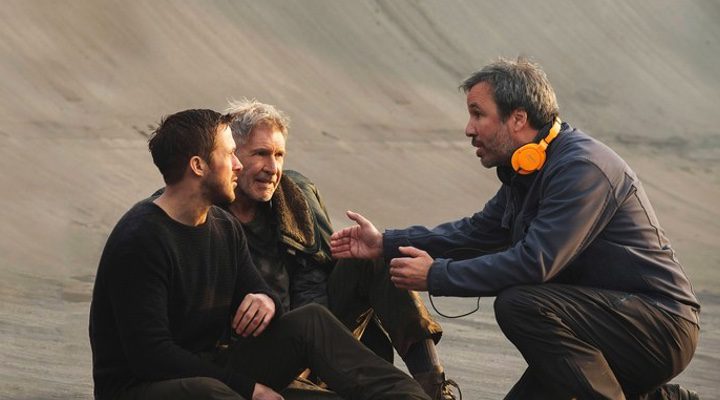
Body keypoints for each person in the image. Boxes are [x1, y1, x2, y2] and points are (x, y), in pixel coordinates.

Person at [330, 58, 701, 400]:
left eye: (478, 115)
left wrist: (437, 275)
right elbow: (474, 234)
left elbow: (534, 263)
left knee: (520, 304)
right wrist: (386, 243)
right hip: (599, 326)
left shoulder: (582, 169)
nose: (468, 129)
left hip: (658, 326)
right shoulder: (525, 171)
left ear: (518, 119)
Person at [88, 108, 430, 400]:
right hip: (147, 387)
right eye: (229, 154)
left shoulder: (223, 225)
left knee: (310, 321)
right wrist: (248, 388)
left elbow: (262, 293)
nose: (237, 166)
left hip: (216, 369)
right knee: (213, 392)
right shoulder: (141, 239)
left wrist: (265, 301)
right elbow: (151, 356)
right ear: (198, 165)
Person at [223, 99, 459, 400]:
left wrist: (317, 345)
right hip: (258, 354)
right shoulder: (209, 214)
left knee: (374, 257)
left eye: (279, 155)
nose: (272, 168)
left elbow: (312, 277)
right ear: (232, 156)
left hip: (311, 327)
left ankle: (435, 388)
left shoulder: (293, 198)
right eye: (260, 154)